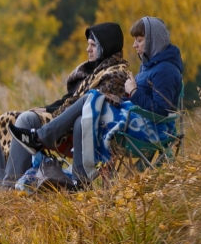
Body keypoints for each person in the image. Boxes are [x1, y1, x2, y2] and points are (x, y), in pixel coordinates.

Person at [9, 16, 183, 186]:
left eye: (139, 40)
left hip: (152, 130)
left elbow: (160, 111)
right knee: (81, 119)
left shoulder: (165, 70)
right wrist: (122, 97)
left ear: (154, 40)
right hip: (136, 120)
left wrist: (134, 91)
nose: (134, 45)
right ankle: (80, 180)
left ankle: (41, 137)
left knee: (91, 96)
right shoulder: (150, 65)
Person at [0, 23, 131, 189]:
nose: (88, 49)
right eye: (88, 45)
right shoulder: (92, 71)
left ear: (106, 47)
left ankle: (9, 187)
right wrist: (46, 109)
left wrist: (50, 112)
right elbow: (69, 99)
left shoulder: (116, 74)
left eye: (93, 45)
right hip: (64, 118)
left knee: (26, 119)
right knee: (6, 119)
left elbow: (90, 105)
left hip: (78, 127)